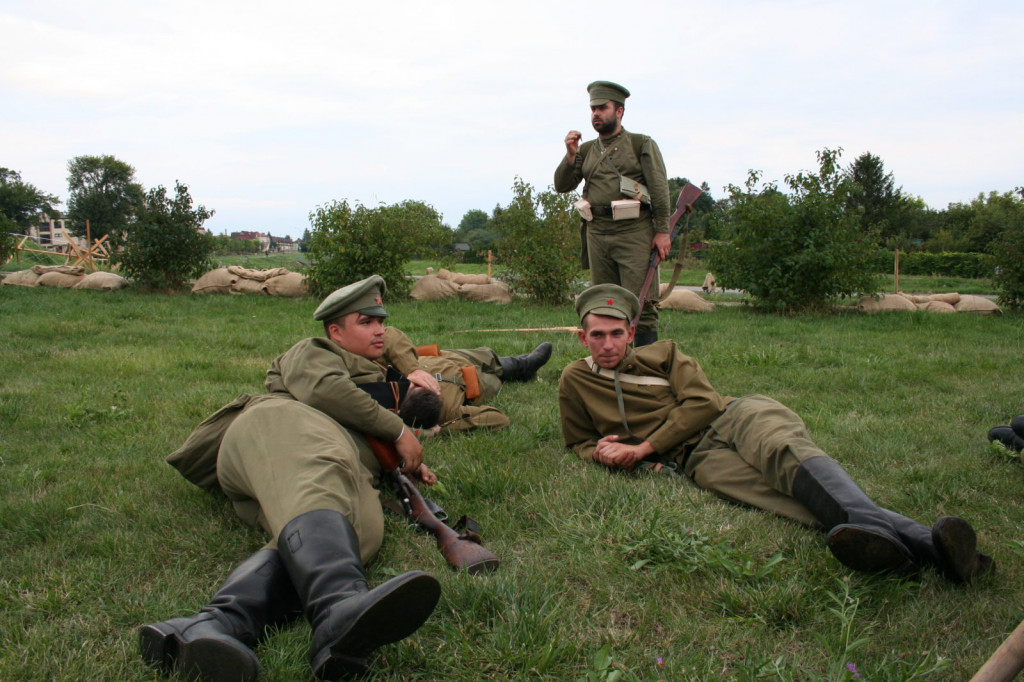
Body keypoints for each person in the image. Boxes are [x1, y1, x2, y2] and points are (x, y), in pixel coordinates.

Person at [557, 283, 994, 583]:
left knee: (786, 455)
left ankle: (913, 552)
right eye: (598, 335)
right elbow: (577, 441)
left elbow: (704, 403)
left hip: (733, 417)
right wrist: (599, 455)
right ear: (582, 338)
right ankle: (936, 554)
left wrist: (646, 448)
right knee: (783, 499)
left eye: (617, 333)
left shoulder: (665, 353)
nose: (608, 344)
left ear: (631, 332)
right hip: (695, 459)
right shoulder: (574, 382)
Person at [140, 276, 453, 682]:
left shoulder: (384, 374)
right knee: (317, 480)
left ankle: (219, 625)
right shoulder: (315, 352)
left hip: (340, 466)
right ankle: (337, 607)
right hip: (281, 432)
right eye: (366, 321)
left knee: (362, 532)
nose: (379, 329)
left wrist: (398, 459)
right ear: (335, 331)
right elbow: (324, 391)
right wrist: (397, 432)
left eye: (381, 321)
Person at [554, 80, 672, 347]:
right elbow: (562, 186)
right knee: (604, 301)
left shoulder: (640, 143)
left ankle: (647, 361)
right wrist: (570, 156)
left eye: (602, 108)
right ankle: (611, 360)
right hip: (597, 232)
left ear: (619, 111)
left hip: (634, 232)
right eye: (593, 108)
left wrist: (662, 230)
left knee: (642, 302)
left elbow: (659, 188)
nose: (596, 114)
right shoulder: (586, 150)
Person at [354, 331, 552, 434]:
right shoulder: (447, 412)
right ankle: (524, 367)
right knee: (497, 376)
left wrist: (412, 369)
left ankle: (517, 363)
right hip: (473, 381)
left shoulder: (378, 377)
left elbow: (389, 335)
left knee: (487, 355)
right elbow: (499, 419)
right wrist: (440, 431)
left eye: (413, 386)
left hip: (443, 356)